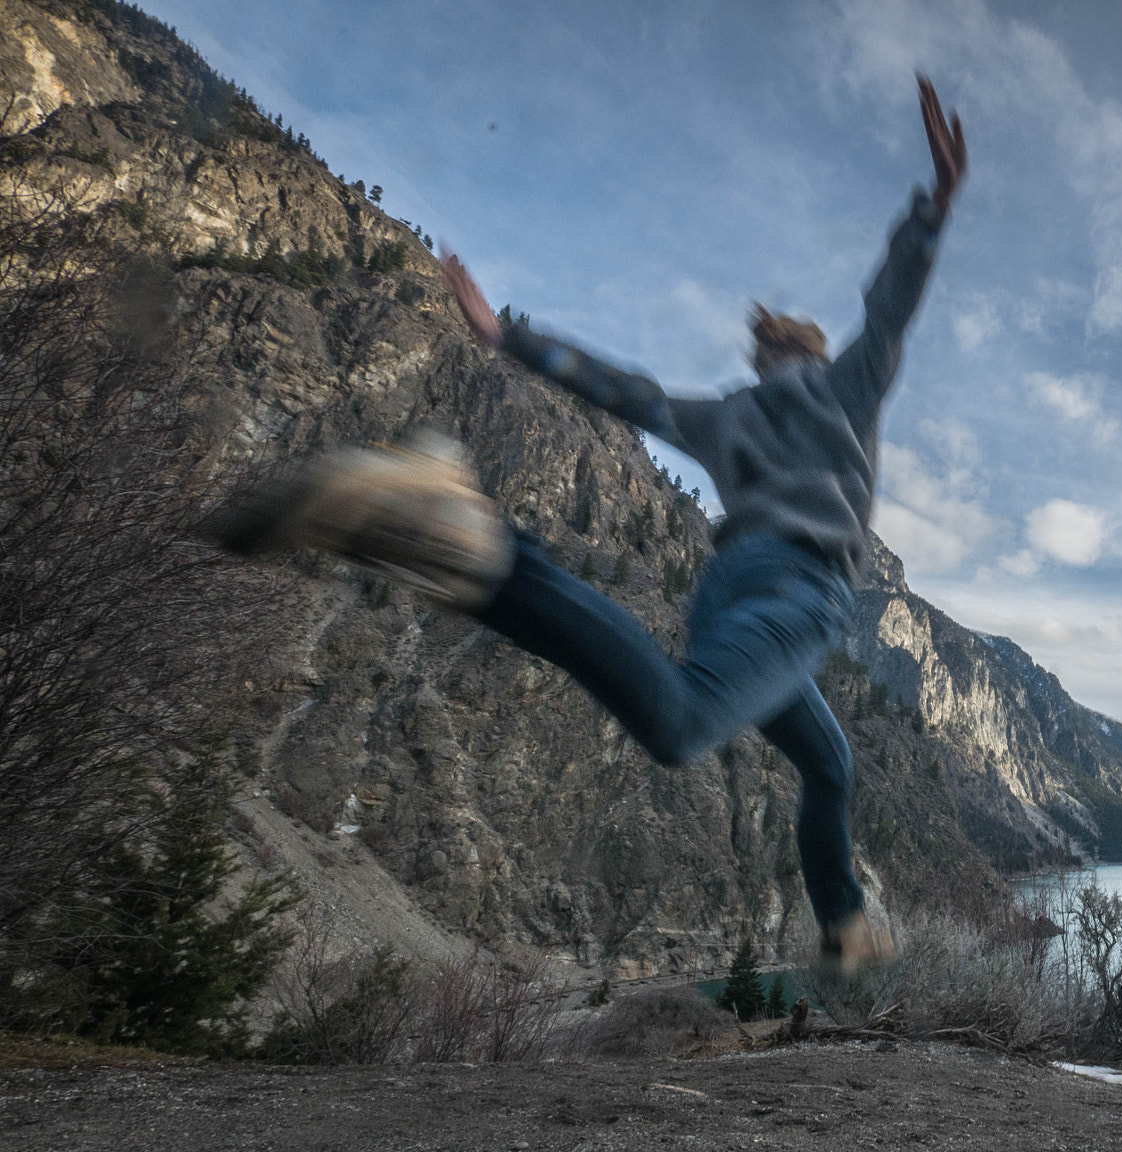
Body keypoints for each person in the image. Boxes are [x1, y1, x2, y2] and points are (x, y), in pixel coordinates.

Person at [211, 75, 967, 976]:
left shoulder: (725, 415)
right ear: (812, 352)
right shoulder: (845, 391)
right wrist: (932, 211)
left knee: (831, 762)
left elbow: (626, 391)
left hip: (730, 594)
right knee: (682, 724)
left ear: (763, 361)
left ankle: (845, 924)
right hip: (798, 591)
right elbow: (888, 311)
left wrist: (510, 339)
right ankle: (484, 553)